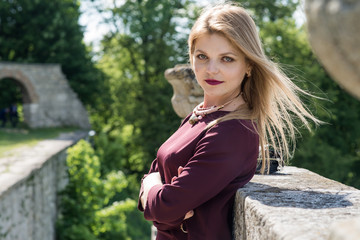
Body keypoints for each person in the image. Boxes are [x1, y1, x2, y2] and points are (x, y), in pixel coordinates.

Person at [138, 3, 320, 240]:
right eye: (202, 56)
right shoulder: (200, 115)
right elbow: (156, 181)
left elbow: (162, 205)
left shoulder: (233, 131)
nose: (211, 69)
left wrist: (152, 191)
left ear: (249, 66)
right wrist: (156, 191)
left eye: (227, 59)